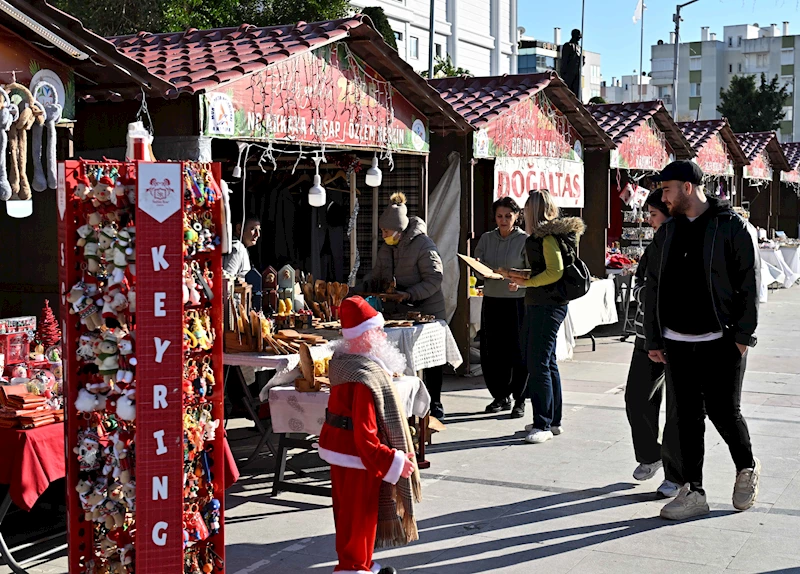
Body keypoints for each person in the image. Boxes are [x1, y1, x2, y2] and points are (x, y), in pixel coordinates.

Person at [644, 160, 761, 520]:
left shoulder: (730, 226)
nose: (663, 197)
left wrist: (742, 337)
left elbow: (748, 283)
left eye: (667, 189)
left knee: (724, 412)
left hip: (720, 339)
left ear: (688, 188)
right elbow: (653, 285)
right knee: (687, 418)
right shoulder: (668, 231)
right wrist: (654, 337)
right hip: (676, 340)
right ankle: (693, 491)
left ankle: (746, 468)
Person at [318, 296, 421, 574]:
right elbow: (365, 435)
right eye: (378, 330)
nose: (384, 335)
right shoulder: (364, 377)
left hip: (341, 450)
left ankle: (360, 563)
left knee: (349, 514)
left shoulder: (344, 363)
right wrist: (394, 461)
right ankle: (353, 566)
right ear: (364, 337)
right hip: (355, 455)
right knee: (359, 517)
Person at [507, 189, 585, 444]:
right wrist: (521, 276)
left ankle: (542, 423)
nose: (522, 213)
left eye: (524, 208)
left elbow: (554, 272)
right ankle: (553, 420)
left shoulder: (545, 237)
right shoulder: (550, 235)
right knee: (547, 362)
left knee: (538, 362)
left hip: (546, 306)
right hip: (548, 304)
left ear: (532, 210)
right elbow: (546, 270)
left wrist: (527, 283)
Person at [365, 192, 447, 419]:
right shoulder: (387, 248)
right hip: (400, 308)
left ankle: (435, 402)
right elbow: (378, 273)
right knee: (400, 358)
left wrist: (410, 293)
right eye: (382, 231)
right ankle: (405, 404)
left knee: (432, 360)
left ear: (399, 231)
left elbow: (435, 279)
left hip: (429, 308)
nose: (383, 235)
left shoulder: (423, 245)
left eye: (386, 232)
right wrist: (359, 287)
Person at [624, 189, 682, 499]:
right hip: (647, 336)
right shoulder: (656, 243)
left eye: (653, 214)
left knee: (677, 409)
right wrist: (648, 294)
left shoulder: (686, 241)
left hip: (678, 338)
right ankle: (650, 454)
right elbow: (642, 282)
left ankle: (677, 475)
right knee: (636, 398)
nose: (648, 219)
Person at [474, 197, 529, 418]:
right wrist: (479, 268)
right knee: (492, 351)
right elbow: (478, 267)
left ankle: (520, 399)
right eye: (499, 216)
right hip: (492, 299)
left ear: (516, 216)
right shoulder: (487, 239)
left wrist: (520, 280)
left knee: (518, 350)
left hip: (517, 301)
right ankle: (500, 395)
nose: (503, 220)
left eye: (508, 216)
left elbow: (531, 272)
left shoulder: (525, 240)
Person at [223, 213, 261, 277]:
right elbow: (227, 279)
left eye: (259, 230)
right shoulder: (237, 248)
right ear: (239, 229)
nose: (258, 234)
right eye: (253, 229)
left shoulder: (241, 248)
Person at [560, 29, 583, 97]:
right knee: (568, 91)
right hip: (569, 72)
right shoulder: (568, 45)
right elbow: (564, 59)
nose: (579, 39)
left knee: (577, 91)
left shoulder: (579, 48)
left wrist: (582, 60)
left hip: (577, 72)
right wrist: (563, 73)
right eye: (578, 36)